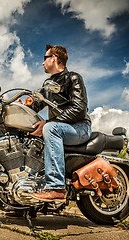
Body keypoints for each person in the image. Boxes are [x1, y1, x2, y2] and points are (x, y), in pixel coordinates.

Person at [30, 44, 92, 202]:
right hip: (60, 127)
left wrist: (49, 122)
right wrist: (22, 106)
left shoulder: (73, 78)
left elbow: (79, 109)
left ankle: (57, 187)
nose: (42, 63)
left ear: (53, 58)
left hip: (80, 128)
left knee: (49, 128)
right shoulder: (48, 85)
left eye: (44, 58)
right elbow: (36, 104)